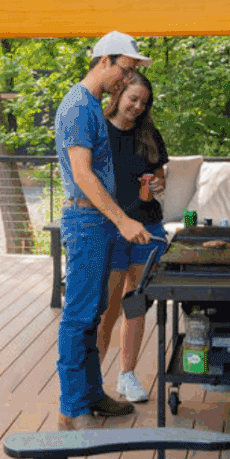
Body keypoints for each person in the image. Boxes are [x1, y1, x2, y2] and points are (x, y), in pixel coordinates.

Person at [53, 31, 152, 430]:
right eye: (125, 71)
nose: (127, 82)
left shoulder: (92, 106)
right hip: (86, 222)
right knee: (78, 316)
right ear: (104, 60)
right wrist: (122, 220)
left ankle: (93, 394)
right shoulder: (78, 106)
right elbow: (82, 175)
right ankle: (72, 408)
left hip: (98, 224)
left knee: (94, 313)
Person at [95, 70, 168, 403]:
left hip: (146, 227)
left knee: (134, 303)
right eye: (132, 99)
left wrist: (158, 184)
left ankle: (127, 376)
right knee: (107, 309)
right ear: (118, 95)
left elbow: (159, 177)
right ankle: (93, 383)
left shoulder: (149, 133)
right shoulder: (97, 130)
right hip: (111, 227)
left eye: (143, 102)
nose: (137, 107)